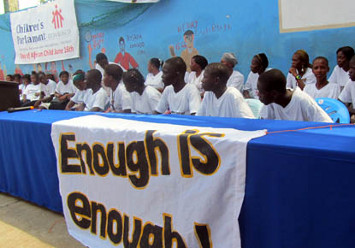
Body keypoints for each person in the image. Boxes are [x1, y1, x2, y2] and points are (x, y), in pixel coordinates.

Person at [258, 69, 332, 122]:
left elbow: (326, 124)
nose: (258, 94)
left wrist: (296, 75)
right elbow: (263, 124)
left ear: (274, 94)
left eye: (261, 92)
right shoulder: (271, 102)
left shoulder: (303, 100)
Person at [338, 56, 355, 123]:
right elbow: (339, 103)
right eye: (350, 68)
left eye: (353, 68)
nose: (349, 71)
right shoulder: (351, 82)